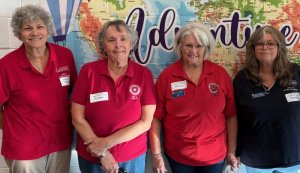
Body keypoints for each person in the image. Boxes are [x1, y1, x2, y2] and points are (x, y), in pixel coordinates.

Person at [149, 22, 238, 173]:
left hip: (215, 156)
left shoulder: (220, 74)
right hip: (179, 156)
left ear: (206, 48)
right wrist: (156, 154)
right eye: (188, 45)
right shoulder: (167, 76)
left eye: (199, 46)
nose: (193, 51)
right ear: (180, 47)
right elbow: (155, 118)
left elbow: (231, 116)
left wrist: (231, 151)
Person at [71, 19, 156, 173]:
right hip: (93, 158)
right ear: (103, 45)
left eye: (123, 39)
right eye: (111, 40)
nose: (118, 45)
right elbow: (77, 118)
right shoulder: (88, 72)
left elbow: (146, 122)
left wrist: (106, 144)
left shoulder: (143, 75)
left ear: (131, 44)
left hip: (132, 158)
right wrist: (102, 153)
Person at [0, 5, 77, 173]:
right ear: (19, 33)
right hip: (25, 148)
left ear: (48, 29)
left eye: (40, 27)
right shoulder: (6, 65)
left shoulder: (65, 56)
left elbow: (74, 94)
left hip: (59, 141)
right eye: (28, 28)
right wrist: (14, 130)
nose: (35, 32)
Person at [234, 25, 300, 173]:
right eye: (259, 43)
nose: (265, 47)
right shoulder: (242, 79)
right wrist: (235, 151)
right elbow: (235, 118)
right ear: (253, 48)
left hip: (292, 157)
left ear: (279, 47)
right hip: (255, 160)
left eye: (270, 43)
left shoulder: (296, 73)